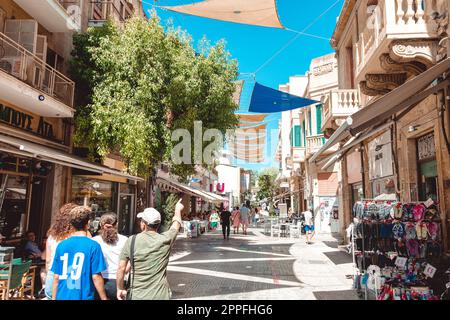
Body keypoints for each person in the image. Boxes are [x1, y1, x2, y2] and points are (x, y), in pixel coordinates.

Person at [116, 199, 184, 300]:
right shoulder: (166, 239)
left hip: (137, 295)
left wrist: (119, 288)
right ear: (159, 224)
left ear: (143, 224)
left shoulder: (132, 240)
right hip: (160, 295)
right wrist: (177, 209)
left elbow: (121, 268)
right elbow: (176, 224)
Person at [51, 206, 107, 300]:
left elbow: (56, 276)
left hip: (62, 295)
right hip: (83, 295)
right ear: (88, 224)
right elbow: (96, 276)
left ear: (71, 224)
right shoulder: (93, 246)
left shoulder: (61, 245)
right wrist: (104, 298)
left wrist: (53, 298)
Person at [44, 203, 77, 300]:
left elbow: (48, 260)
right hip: (71, 275)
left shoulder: (51, 237)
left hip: (53, 273)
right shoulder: (77, 236)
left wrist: (48, 276)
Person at [93, 213, 128, 300]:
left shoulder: (94, 241)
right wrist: (124, 273)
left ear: (101, 225)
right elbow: (130, 261)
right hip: (119, 281)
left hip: (98, 281)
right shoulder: (125, 240)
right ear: (116, 224)